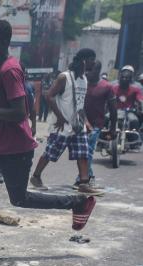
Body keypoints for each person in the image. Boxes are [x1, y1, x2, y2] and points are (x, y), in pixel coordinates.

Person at [0, 19, 97, 260]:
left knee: (19, 198)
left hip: (15, 146)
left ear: (3, 43)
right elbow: (6, 106)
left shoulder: (9, 69)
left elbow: (20, 112)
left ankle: (77, 202)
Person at [30, 48, 99, 195]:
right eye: (92, 59)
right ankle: (36, 177)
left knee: (83, 153)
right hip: (62, 125)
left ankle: (84, 182)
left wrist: (86, 121)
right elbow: (49, 96)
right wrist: (59, 116)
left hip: (77, 126)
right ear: (84, 60)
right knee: (50, 153)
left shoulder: (84, 80)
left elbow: (80, 104)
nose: (94, 62)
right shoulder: (64, 77)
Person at [79, 60, 116, 187]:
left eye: (91, 70)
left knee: (87, 151)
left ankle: (83, 179)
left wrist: (113, 128)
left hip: (96, 124)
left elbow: (113, 109)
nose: (87, 72)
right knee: (82, 152)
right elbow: (78, 104)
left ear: (98, 71)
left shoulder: (107, 87)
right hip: (80, 122)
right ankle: (89, 176)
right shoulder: (81, 83)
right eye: (87, 70)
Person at [113, 66, 142, 133]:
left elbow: (140, 100)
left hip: (129, 112)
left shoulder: (136, 88)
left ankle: (134, 139)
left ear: (131, 78)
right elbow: (109, 99)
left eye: (127, 78)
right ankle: (102, 138)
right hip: (115, 111)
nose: (124, 79)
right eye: (123, 77)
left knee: (134, 120)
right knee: (106, 118)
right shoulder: (114, 87)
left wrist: (140, 107)